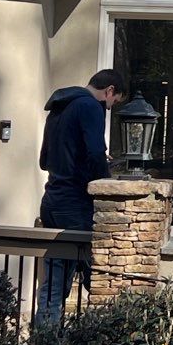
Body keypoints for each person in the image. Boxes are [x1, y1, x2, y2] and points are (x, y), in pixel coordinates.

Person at [39, 69, 126, 227]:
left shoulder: (59, 106)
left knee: (56, 253)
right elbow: (95, 152)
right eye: (115, 102)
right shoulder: (90, 106)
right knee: (84, 252)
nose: (109, 108)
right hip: (74, 205)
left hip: (50, 202)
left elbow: (44, 161)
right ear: (110, 90)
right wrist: (105, 183)